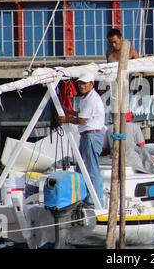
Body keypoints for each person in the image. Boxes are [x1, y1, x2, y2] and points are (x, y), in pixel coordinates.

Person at [57, 71, 105, 207]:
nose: (81, 86)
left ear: (91, 83)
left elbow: (82, 119)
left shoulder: (92, 99)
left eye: (84, 83)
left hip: (91, 135)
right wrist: (69, 111)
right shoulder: (86, 98)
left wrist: (66, 119)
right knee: (81, 168)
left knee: (91, 169)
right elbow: (81, 114)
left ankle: (95, 201)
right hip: (86, 135)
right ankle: (84, 198)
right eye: (79, 83)